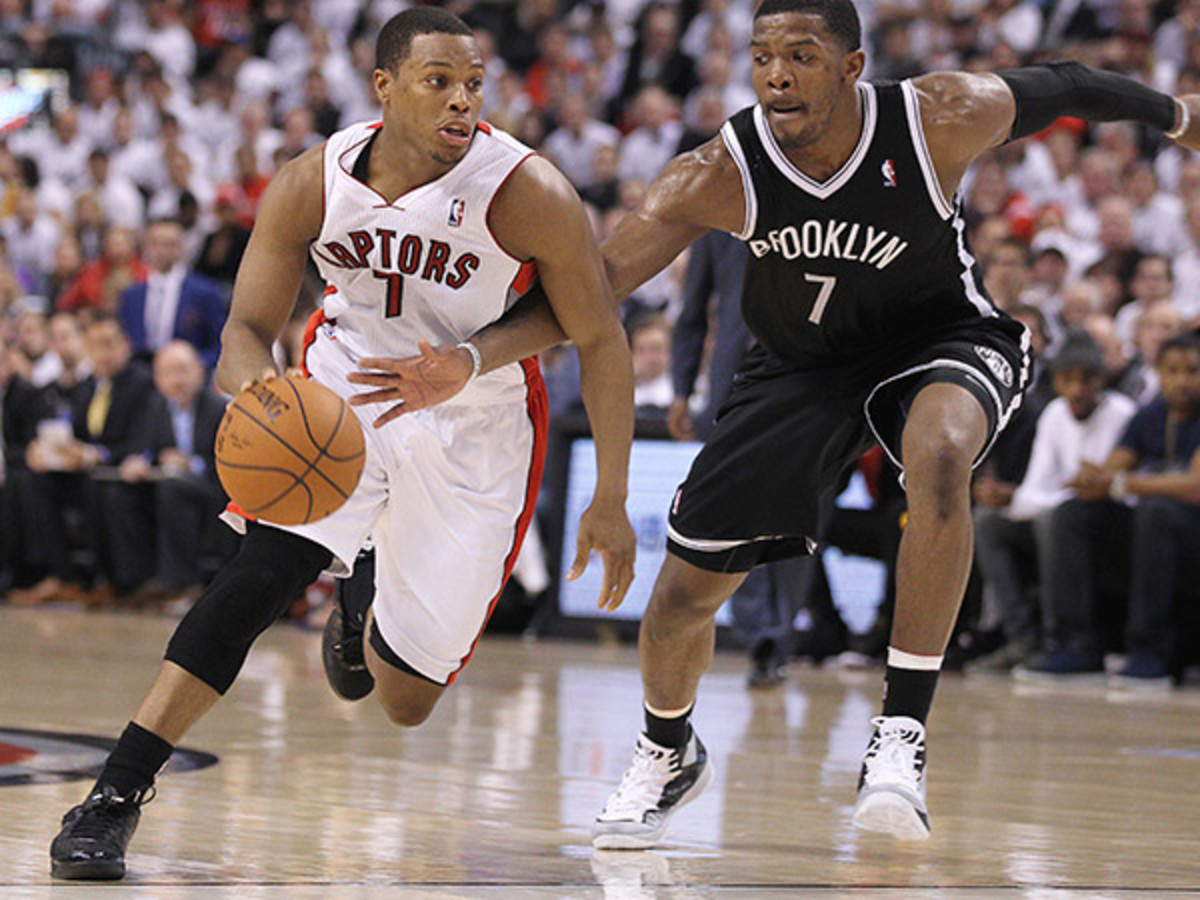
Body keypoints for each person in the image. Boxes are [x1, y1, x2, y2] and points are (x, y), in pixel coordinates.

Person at [311, 0, 1200, 847]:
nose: (776, 77)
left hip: (942, 338)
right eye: (763, 58)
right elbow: (597, 286)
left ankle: (900, 732)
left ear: (852, 67)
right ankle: (667, 751)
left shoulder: (940, 117)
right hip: (797, 368)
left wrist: (1172, 114)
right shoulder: (721, 171)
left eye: (801, 57)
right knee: (680, 602)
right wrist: (469, 359)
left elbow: (1072, 78)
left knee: (938, 457)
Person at [48, 8, 636, 882]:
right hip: (344, 392)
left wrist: (611, 498)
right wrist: (266, 395)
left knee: (400, 700)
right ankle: (115, 792)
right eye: (439, 81)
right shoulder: (312, 181)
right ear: (385, 88)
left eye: (474, 83)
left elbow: (600, 336)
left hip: (473, 425)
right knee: (255, 576)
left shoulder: (526, 190)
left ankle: (361, 595)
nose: (463, 101)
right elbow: (245, 329)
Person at [1016, 333, 1200, 686]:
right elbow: (1111, 471)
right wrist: (1092, 478)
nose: (1182, 380)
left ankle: (1149, 650)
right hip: (1154, 535)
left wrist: (1120, 483)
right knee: (1073, 513)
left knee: (1156, 511)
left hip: (1189, 535)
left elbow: (1193, 486)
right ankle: (1076, 644)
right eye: (1172, 370)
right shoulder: (1150, 416)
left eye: (1192, 371)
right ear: (1158, 374)